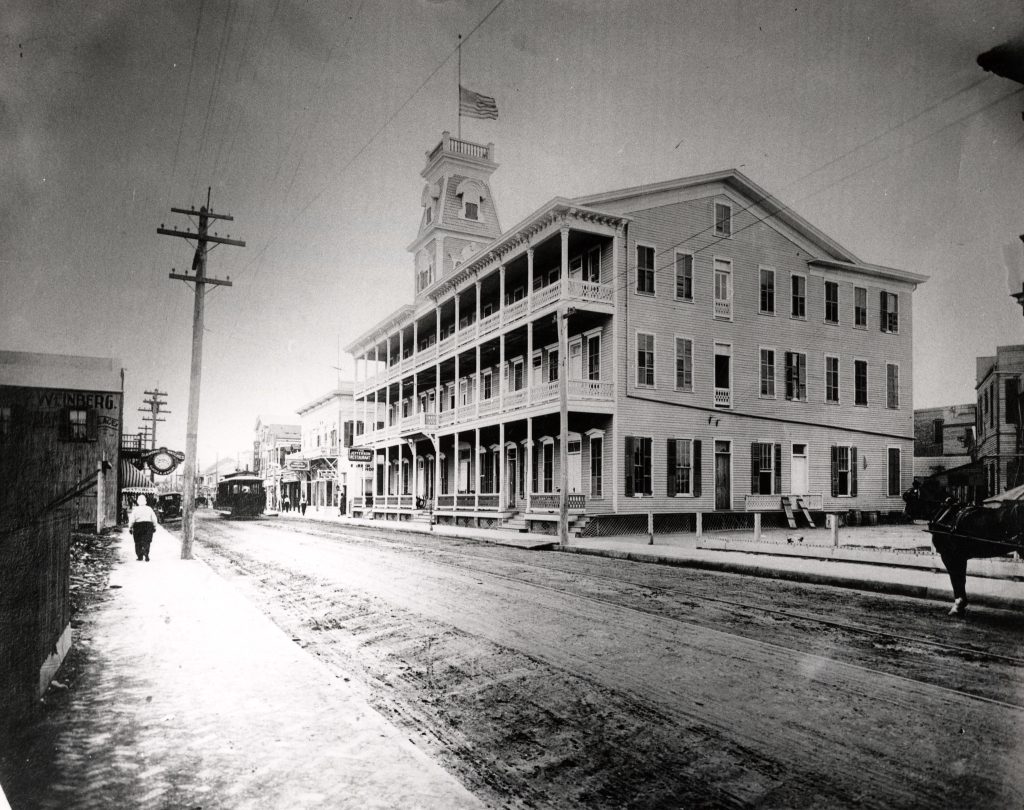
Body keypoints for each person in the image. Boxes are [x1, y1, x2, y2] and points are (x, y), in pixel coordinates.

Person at [128, 494, 158, 562]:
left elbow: (131, 519)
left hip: (138, 526)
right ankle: (146, 552)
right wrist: (154, 526)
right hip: (148, 525)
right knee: (147, 541)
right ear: (145, 501)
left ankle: (140, 556)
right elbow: (154, 518)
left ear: (138, 501)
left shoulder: (135, 509)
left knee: (138, 541)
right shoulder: (149, 509)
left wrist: (130, 528)